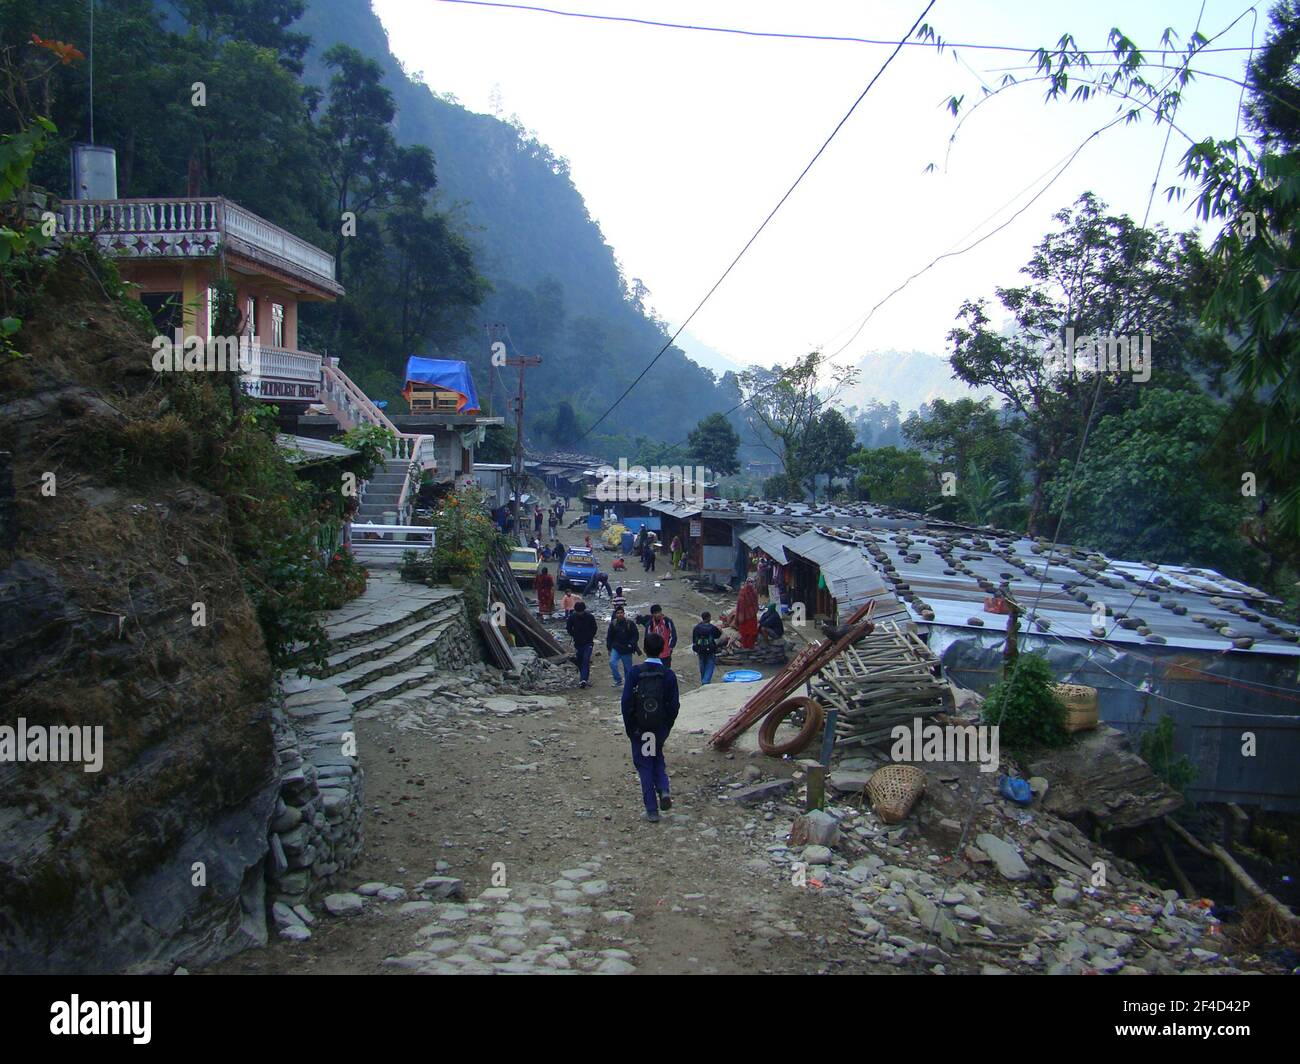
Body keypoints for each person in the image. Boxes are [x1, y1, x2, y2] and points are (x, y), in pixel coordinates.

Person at [621, 630, 680, 823]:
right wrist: (667, 726)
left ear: (645, 649)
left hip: (640, 728)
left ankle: (652, 809)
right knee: (656, 757)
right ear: (663, 649)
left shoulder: (635, 673)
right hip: (659, 727)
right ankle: (663, 788)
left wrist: (631, 728)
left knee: (645, 764)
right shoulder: (668, 675)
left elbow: (626, 701)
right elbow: (674, 705)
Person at [606, 604, 640, 688]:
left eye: (621, 613)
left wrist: (631, 644)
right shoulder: (613, 624)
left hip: (626, 649)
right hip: (616, 648)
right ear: (616, 614)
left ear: (624, 613)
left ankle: (629, 684)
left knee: (628, 669)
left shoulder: (630, 623)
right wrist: (609, 648)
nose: (620, 614)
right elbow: (609, 636)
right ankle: (618, 680)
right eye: (618, 613)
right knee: (612, 663)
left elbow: (635, 635)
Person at [566, 599, 598, 688]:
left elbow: (594, 628)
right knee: (580, 660)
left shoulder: (590, 617)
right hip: (578, 643)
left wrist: (590, 636)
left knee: (586, 659)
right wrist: (574, 634)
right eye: (578, 612)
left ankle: (583, 679)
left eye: (581, 611)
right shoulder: (572, 617)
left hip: (588, 643)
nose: (580, 613)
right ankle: (583, 677)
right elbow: (568, 628)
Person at [691, 610, 723, 685]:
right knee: (710, 665)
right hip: (710, 649)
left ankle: (703, 679)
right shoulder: (712, 628)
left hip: (699, 649)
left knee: (702, 664)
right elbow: (717, 635)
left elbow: (694, 639)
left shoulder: (696, 628)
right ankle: (706, 681)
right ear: (709, 618)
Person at [735, 579, 760, 648]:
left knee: (744, 633)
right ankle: (750, 646)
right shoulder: (754, 592)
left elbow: (739, 606)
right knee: (751, 633)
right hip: (752, 616)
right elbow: (756, 604)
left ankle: (745, 647)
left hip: (743, 617)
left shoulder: (742, 593)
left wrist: (738, 617)